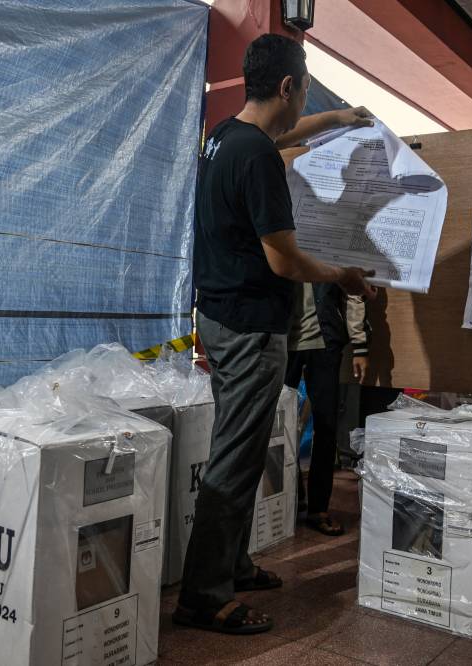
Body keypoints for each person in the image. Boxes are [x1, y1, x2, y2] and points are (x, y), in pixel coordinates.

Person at [174, 34, 376, 636]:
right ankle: (203, 596)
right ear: (287, 86)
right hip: (250, 326)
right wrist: (341, 275)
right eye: (307, 89)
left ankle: (233, 565)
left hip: (219, 316)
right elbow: (285, 262)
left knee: (242, 444)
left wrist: (341, 117)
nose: (305, 99)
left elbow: (282, 135)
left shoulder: (224, 139)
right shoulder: (257, 158)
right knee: (236, 458)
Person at [285, 285, 367, 536]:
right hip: (282, 341)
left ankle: (318, 508)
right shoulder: (279, 245)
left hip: (325, 342)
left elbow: (354, 293)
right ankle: (290, 496)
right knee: (278, 425)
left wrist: (360, 343)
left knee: (326, 425)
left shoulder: (332, 246)